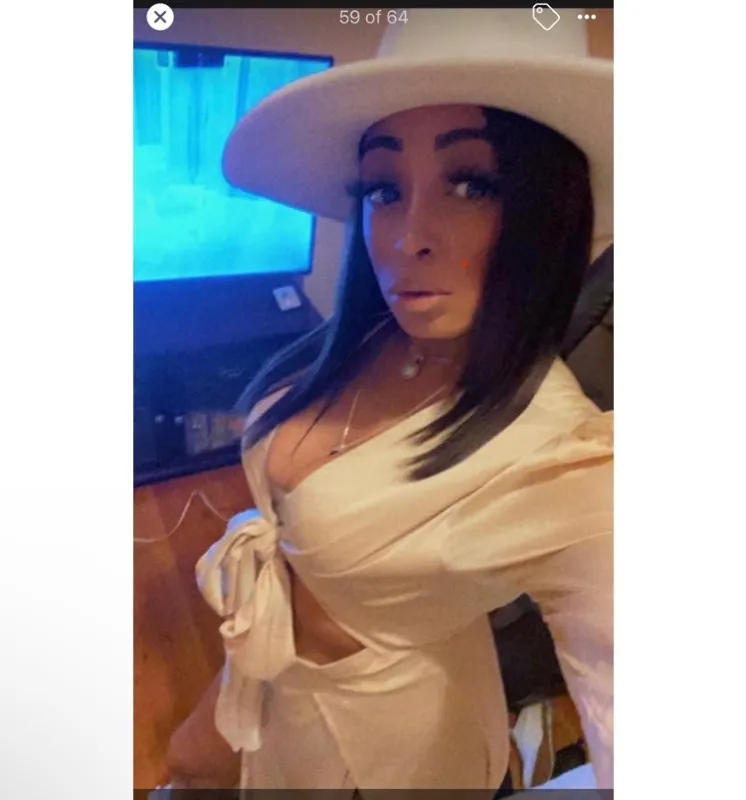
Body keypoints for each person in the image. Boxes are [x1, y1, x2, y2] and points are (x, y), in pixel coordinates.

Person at [164, 8, 613, 793]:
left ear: (551, 206)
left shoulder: (563, 457)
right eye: (383, 188)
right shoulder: (370, 338)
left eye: (471, 184)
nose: (407, 238)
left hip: (388, 754)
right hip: (269, 677)